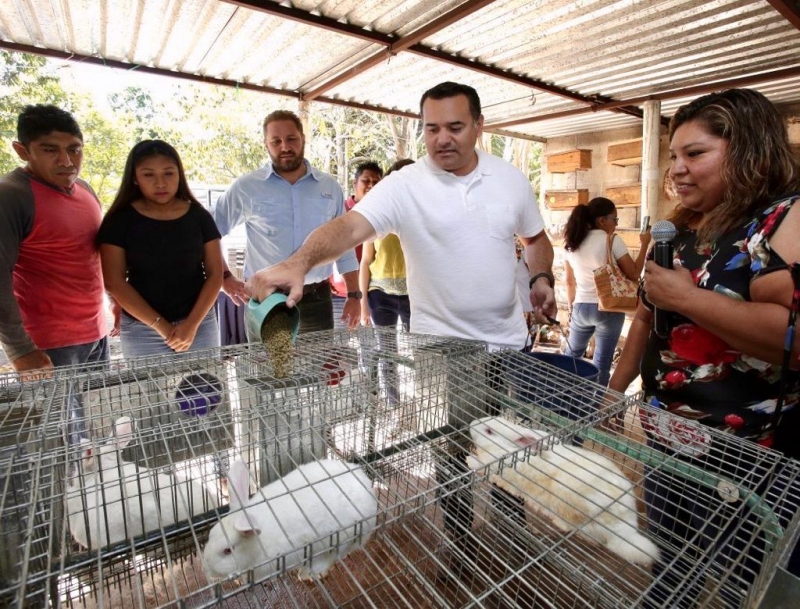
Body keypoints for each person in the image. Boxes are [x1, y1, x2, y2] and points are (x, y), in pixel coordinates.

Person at [608, 88, 800, 607]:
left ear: (748, 152)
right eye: (675, 155)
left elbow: (791, 337)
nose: (678, 169)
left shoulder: (783, 221)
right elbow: (647, 317)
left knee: (743, 570)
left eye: (696, 154)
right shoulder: (680, 227)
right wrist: (615, 389)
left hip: (745, 453)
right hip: (668, 429)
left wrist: (687, 298)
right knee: (673, 550)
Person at [248, 82, 556, 351]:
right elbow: (348, 228)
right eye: (432, 129)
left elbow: (535, 239)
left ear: (479, 125)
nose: (442, 138)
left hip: (508, 343)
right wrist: (298, 264)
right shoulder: (405, 183)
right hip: (439, 349)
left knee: (504, 420)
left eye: (455, 127)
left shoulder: (510, 179)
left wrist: (540, 278)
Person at [212, 110, 360, 335]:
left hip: (317, 299)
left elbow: (344, 243)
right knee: (269, 370)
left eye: (291, 139)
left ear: (303, 139)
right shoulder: (247, 187)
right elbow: (209, 232)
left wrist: (354, 294)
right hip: (267, 300)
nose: (285, 147)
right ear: (266, 144)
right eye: (276, 141)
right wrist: (223, 277)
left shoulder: (329, 187)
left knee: (316, 368)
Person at [0, 104, 108, 379]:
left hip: (97, 333)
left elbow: (95, 255)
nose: (66, 161)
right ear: (22, 150)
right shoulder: (12, 195)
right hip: (48, 345)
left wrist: (116, 303)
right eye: (50, 150)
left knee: (104, 416)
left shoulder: (84, 189)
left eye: (74, 149)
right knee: (65, 423)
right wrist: (21, 351)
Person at [97, 140, 223, 358]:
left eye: (168, 173)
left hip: (200, 325)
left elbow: (215, 274)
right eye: (148, 175)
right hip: (142, 329)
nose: (160, 183)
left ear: (179, 175)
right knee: (148, 392)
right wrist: (163, 327)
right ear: (135, 178)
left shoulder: (199, 216)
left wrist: (191, 325)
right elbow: (114, 282)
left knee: (205, 389)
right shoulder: (119, 221)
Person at [562, 197, 650, 385]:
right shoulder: (611, 241)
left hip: (580, 307)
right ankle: (597, 408)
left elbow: (569, 282)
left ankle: (565, 400)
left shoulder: (572, 242)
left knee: (571, 357)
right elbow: (634, 273)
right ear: (602, 221)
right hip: (609, 308)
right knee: (601, 363)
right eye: (615, 219)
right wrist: (644, 244)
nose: (616, 225)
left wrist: (571, 310)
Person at [359, 158, 414, 403]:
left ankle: (425, 399)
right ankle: (394, 404)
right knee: (387, 353)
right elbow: (365, 261)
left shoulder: (420, 214)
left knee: (421, 350)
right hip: (380, 295)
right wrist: (361, 303)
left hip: (414, 295)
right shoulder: (376, 215)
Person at [330, 161, 384, 324]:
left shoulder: (384, 215)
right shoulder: (341, 211)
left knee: (369, 346)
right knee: (337, 346)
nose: (371, 186)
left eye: (376, 182)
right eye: (366, 181)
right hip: (338, 294)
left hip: (371, 294)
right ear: (355, 183)